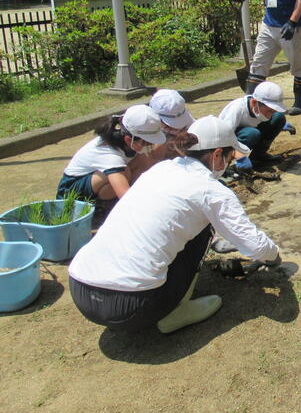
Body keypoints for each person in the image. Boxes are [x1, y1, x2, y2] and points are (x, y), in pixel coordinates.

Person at [68, 115, 281, 334]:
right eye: (229, 157)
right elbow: (257, 246)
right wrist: (274, 257)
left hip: (80, 288)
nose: (229, 163)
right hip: (131, 307)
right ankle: (177, 312)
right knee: (204, 228)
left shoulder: (159, 170)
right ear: (217, 154)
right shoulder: (211, 191)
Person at [56, 104, 166, 216]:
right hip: (71, 192)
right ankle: (100, 206)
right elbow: (125, 195)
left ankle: (112, 201)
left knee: (144, 160)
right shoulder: (110, 156)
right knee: (125, 172)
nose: (150, 145)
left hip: (93, 181)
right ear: (129, 140)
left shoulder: (123, 138)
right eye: (147, 142)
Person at [219, 80, 290, 173]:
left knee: (279, 118)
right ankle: (225, 167)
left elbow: (271, 118)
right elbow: (223, 138)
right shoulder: (236, 109)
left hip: (249, 131)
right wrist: (237, 155)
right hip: (228, 139)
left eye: (273, 111)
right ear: (254, 103)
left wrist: (278, 125)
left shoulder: (258, 109)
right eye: (269, 111)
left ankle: (258, 157)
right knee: (252, 133)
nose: (270, 115)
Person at [128, 89, 197, 177]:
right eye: (169, 126)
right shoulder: (142, 133)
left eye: (181, 125)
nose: (176, 129)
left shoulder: (194, 128)